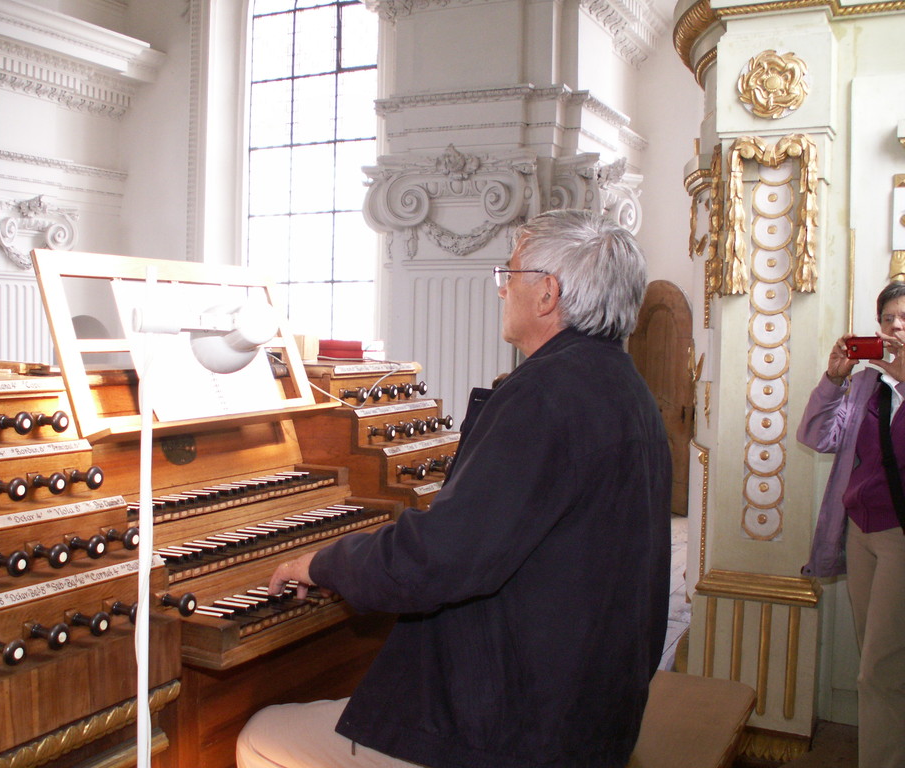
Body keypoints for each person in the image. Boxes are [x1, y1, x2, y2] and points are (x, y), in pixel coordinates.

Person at [235, 209, 673, 768]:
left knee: (260, 734)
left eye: (508, 275)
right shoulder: (624, 387)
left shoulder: (543, 394)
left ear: (547, 294)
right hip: (589, 710)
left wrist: (323, 562)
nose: (500, 290)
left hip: (517, 730)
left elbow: (441, 557)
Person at [797, 282, 905, 768]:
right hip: (862, 533)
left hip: (901, 539)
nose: (896, 327)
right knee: (879, 662)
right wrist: (833, 378)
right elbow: (817, 435)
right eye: (888, 320)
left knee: (879, 671)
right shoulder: (866, 384)